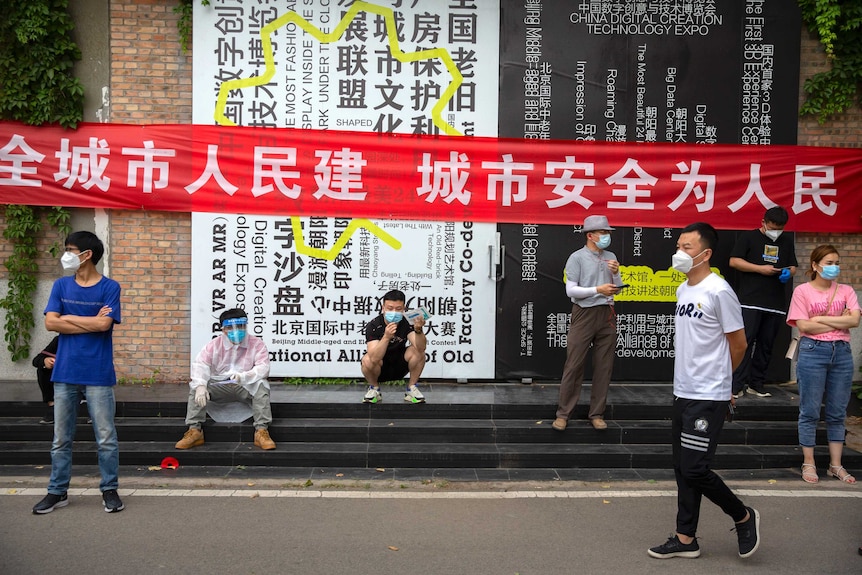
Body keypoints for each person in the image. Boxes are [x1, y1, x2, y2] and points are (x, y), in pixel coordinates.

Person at [648, 222, 760, 560]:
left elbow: (738, 344)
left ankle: (742, 515)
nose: (680, 253)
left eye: (688, 248)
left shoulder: (719, 290)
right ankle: (685, 539)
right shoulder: (684, 290)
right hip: (683, 391)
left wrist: (722, 383)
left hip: (708, 395)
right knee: (683, 468)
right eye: (679, 246)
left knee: (696, 468)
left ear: (706, 253)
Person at [32, 231, 124, 515]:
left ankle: (109, 488)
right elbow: (50, 324)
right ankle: (57, 492)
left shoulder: (110, 287)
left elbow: (103, 327)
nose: (66, 255)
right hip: (65, 372)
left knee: (105, 437)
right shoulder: (61, 286)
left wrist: (67, 318)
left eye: (70, 250)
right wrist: (85, 319)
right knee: (61, 438)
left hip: (97, 373)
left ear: (87, 255)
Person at [787, 244, 860, 484]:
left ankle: (835, 465)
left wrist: (820, 318)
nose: (834, 267)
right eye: (829, 263)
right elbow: (804, 326)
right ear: (815, 266)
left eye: (836, 262)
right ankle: (808, 462)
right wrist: (840, 321)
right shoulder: (802, 291)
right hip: (812, 352)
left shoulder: (846, 290)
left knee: (837, 412)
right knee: (809, 410)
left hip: (841, 353)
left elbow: (855, 321)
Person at [553, 214, 622, 432]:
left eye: (608, 232)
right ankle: (563, 414)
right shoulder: (577, 257)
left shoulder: (610, 256)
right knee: (574, 365)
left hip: (607, 314)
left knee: (604, 366)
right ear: (590, 235)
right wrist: (597, 290)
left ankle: (597, 414)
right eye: (603, 233)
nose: (607, 236)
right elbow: (570, 290)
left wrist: (616, 274)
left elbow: (617, 288)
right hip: (584, 313)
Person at [175, 308, 276, 450]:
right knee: (196, 388)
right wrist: (201, 385)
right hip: (220, 385)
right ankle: (194, 430)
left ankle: (261, 431)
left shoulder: (257, 344)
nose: (236, 330)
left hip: (245, 386)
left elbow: (263, 368)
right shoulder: (214, 345)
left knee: (261, 385)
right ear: (223, 329)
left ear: (246, 326)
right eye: (230, 327)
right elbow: (201, 365)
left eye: (240, 326)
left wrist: (244, 376)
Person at [729, 207, 798, 398]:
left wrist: (788, 273)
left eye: (780, 227)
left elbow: (793, 266)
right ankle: (736, 385)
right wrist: (759, 269)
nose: (776, 231)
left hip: (775, 302)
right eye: (772, 227)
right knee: (745, 342)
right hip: (750, 300)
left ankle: (756, 383)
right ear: (763, 222)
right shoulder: (749, 238)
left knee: (766, 345)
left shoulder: (786, 240)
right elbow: (734, 261)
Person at [361, 289, 427, 404]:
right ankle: (374, 389)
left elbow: (421, 348)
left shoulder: (407, 322)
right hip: (380, 368)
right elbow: (374, 358)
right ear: (383, 308)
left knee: (418, 352)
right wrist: (386, 337)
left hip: (400, 364)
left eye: (398, 309)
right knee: (367, 360)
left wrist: (418, 330)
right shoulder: (374, 325)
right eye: (390, 308)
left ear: (404, 309)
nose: (394, 312)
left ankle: (411, 389)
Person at [32, 336, 59, 425]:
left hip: (89, 380)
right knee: (43, 368)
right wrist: (45, 361)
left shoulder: (96, 339)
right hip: (66, 378)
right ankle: (52, 406)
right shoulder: (61, 340)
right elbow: (36, 360)